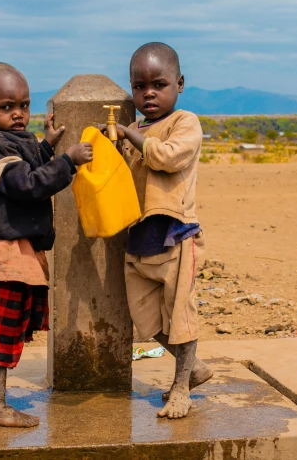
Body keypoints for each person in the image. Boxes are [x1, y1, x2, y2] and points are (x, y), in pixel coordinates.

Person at [0, 62, 92, 428]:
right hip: (3, 258)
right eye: (7, 106)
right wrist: (68, 162)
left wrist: (47, 146)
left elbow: (21, 171)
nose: (18, 115)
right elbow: (26, 184)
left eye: (24, 106)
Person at [105, 42, 212, 419]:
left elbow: (166, 157)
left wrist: (130, 137)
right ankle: (194, 368)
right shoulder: (134, 130)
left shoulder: (185, 123)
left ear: (179, 84)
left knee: (180, 313)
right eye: (139, 86)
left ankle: (181, 388)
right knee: (146, 318)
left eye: (159, 84)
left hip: (175, 235)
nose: (148, 93)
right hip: (139, 237)